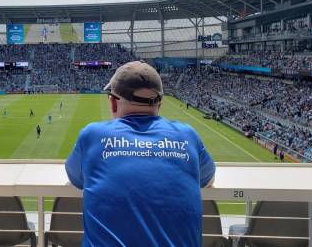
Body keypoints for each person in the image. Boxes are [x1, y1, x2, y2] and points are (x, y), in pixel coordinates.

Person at [65, 61, 216, 246]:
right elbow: (208, 180)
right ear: (159, 103)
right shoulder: (187, 135)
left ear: (113, 102)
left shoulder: (92, 135)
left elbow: (76, 179)